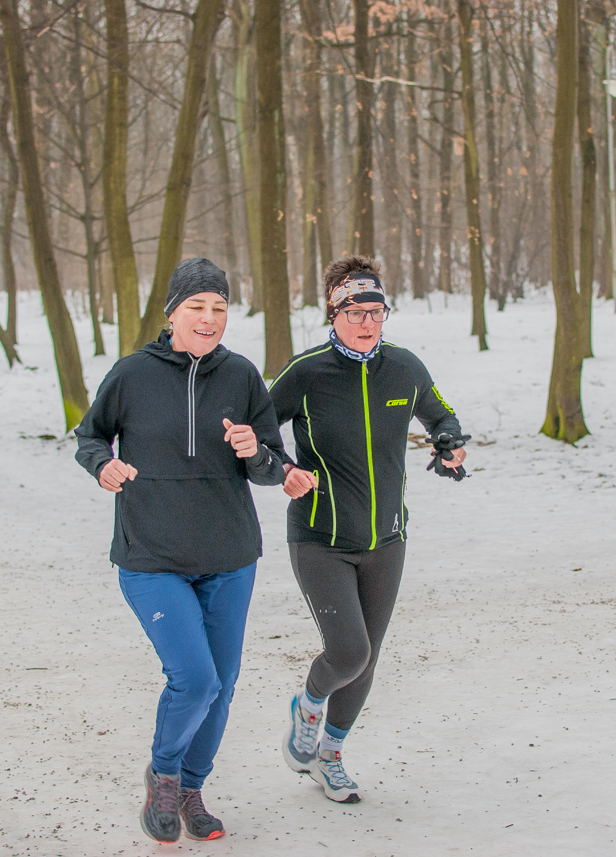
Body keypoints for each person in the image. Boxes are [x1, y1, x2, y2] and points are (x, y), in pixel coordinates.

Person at [74, 257, 287, 844]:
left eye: (219, 307)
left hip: (230, 555)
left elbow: (274, 466)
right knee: (194, 678)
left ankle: (193, 786)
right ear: (172, 315)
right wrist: (103, 465)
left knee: (223, 679)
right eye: (197, 306)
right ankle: (163, 775)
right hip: (152, 555)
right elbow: (89, 435)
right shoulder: (132, 374)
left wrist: (255, 453)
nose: (209, 318)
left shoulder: (242, 376)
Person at [269, 256, 469, 804]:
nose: (366, 322)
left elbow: (439, 412)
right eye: (355, 311)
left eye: (376, 311)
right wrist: (284, 470)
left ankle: (329, 755)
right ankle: (308, 707)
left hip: (388, 539)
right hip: (320, 537)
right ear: (332, 313)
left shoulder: (403, 368)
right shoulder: (306, 372)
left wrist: (448, 443)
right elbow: (261, 426)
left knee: (368, 659)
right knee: (349, 651)